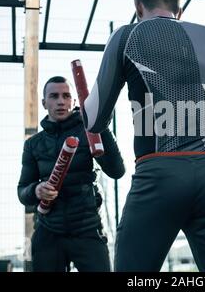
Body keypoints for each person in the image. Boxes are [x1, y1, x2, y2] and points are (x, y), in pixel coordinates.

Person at [83, 0, 205, 271]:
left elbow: (93, 118)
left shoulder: (127, 35)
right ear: (179, 9)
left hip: (160, 172)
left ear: (138, 6)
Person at [17, 76, 125, 272]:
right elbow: (22, 192)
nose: (61, 101)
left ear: (74, 102)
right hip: (49, 230)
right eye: (54, 96)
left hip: (87, 229)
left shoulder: (89, 132)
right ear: (44, 103)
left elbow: (117, 171)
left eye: (66, 96)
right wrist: (36, 190)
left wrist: (101, 126)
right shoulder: (33, 144)